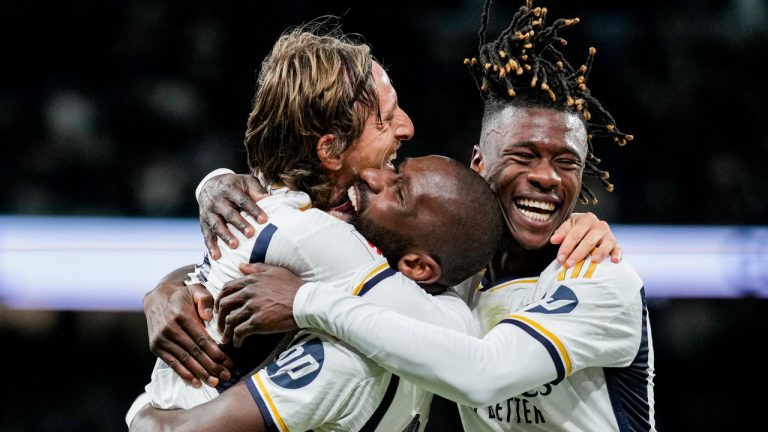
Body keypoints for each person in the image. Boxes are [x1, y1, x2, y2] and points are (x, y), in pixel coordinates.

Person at [135, 9, 624, 432]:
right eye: (385, 120)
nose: (408, 128)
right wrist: (165, 291)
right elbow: (456, 332)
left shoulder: (589, 272)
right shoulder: (315, 236)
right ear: (329, 149)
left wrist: (300, 299)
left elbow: (473, 354)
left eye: (567, 164)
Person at [130, 155, 506, 432]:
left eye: (399, 192)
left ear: (418, 268)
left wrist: (143, 406)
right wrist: (170, 285)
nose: (374, 175)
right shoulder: (416, 313)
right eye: (396, 168)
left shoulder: (347, 359)